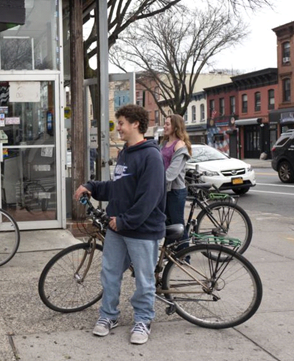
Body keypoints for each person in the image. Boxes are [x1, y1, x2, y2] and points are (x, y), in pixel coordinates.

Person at [73, 104, 165, 345]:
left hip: (141, 230)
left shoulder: (151, 156)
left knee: (144, 280)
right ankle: (108, 316)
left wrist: (125, 221)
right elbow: (118, 188)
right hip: (118, 228)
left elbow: (149, 198)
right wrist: (92, 186)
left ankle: (143, 320)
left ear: (136, 124)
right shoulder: (125, 152)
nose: (119, 128)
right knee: (110, 274)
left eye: (122, 123)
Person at [160, 114, 192, 248]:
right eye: (165, 123)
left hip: (175, 190)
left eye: (168, 124)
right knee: (167, 224)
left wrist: (155, 181)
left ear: (176, 127)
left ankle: (185, 254)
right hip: (165, 189)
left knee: (177, 224)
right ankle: (171, 252)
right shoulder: (164, 143)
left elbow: (172, 172)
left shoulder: (180, 145)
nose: (165, 126)